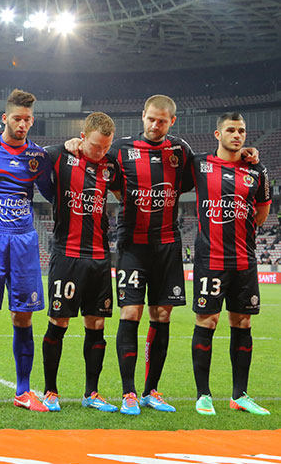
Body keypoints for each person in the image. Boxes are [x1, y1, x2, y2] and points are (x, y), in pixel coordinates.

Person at [61, 94, 257, 414]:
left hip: (167, 245)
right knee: (130, 314)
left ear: (172, 121)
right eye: (151, 118)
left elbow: (211, 169)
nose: (155, 125)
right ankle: (128, 393)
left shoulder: (181, 151)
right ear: (143, 116)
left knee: (162, 316)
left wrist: (246, 153)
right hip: (132, 245)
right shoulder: (121, 150)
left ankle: (151, 390)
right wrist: (74, 143)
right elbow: (97, 165)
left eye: (162, 121)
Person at [0, 90, 54, 412]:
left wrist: (71, 148)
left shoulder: (38, 157)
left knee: (23, 315)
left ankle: (22, 391)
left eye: (27, 119)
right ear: (4, 118)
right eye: (17, 118)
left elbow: (55, 193)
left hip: (23, 242)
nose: (22, 124)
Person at [189, 112, 271, 416]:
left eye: (241, 131)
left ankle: (240, 395)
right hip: (210, 259)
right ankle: (203, 395)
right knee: (207, 321)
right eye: (231, 130)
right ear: (218, 134)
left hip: (244, 259)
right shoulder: (199, 164)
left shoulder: (256, 170)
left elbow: (262, 210)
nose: (237, 135)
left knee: (243, 323)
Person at [40, 112, 122, 413]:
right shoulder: (60, 156)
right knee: (59, 322)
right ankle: (50, 391)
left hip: (99, 257)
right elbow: (32, 155)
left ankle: (92, 393)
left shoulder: (110, 165)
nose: (101, 152)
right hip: (67, 254)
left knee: (96, 324)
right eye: (96, 146)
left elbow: (125, 191)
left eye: (106, 147)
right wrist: (65, 144)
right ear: (83, 136)